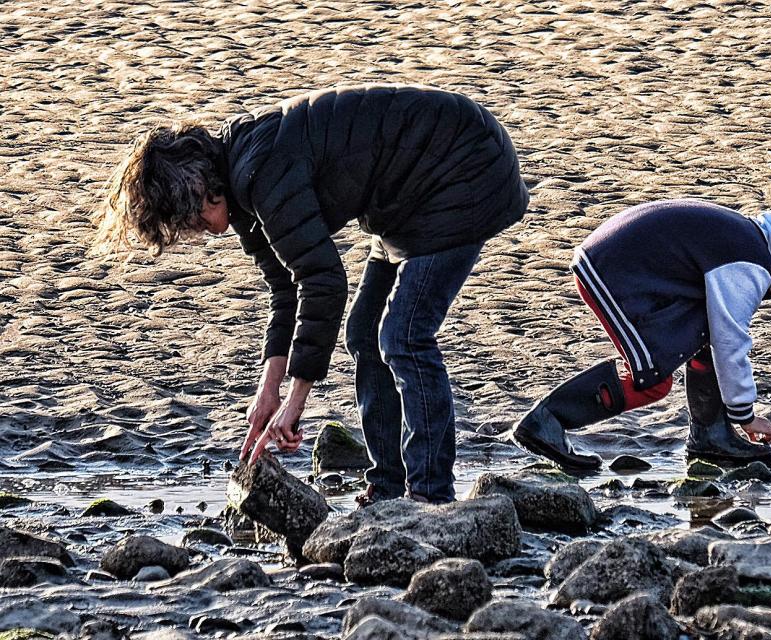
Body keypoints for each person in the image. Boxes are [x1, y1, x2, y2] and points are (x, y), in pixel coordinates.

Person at [94, 85, 529, 504]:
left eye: (191, 219)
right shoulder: (238, 176)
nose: (199, 231)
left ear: (200, 189)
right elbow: (286, 289)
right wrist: (268, 394)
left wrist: (296, 402)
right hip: (404, 196)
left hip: (466, 165)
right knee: (363, 333)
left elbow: (323, 283)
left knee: (403, 336)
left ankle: (430, 495)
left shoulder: (260, 172)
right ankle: (388, 487)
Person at [510, 191, 771, 472]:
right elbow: (731, 341)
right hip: (613, 273)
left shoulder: (747, 239)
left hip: (622, 263)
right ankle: (547, 422)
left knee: (702, 333)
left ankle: (710, 436)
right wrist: (746, 415)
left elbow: (715, 333)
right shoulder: (749, 261)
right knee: (653, 381)